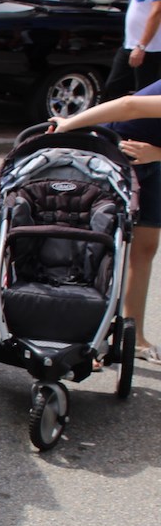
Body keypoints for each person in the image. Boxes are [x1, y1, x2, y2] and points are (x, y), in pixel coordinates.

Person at [50, 88, 161, 363]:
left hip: (153, 155)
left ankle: (133, 337)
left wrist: (157, 153)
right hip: (115, 148)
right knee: (102, 245)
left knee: (145, 247)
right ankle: (89, 339)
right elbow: (129, 105)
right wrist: (70, 124)